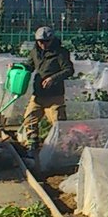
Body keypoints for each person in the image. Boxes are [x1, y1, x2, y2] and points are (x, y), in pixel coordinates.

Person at [22, 26, 74, 161]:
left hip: (55, 96)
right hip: (38, 94)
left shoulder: (61, 53)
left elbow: (69, 70)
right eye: (40, 41)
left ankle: (62, 152)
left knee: (58, 124)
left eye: (46, 41)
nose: (43, 44)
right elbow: (29, 65)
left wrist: (53, 78)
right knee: (30, 119)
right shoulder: (35, 52)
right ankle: (32, 146)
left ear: (52, 40)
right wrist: (17, 67)